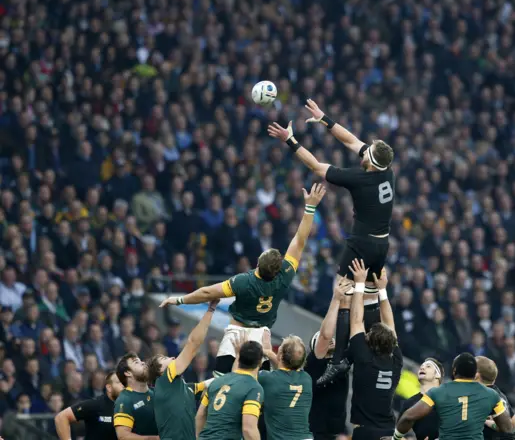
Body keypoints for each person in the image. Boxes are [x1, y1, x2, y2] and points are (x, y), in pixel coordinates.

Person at [268, 100, 395, 384]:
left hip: (360, 244)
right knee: (372, 296)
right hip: (382, 245)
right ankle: (367, 351)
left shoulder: (360, 178)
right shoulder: (386, 170)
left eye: (367, 151)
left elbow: (316, 167)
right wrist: (324, 118)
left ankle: (338, 361)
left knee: (343, 295)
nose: (363, 149)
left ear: (369, 162)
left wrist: (290, 140)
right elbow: (351, 140)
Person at [159, 184, 326, 374]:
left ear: (258, 263)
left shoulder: (243, 282)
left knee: (220, 382)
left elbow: (206, 292)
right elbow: (299, 239)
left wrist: (179, 299)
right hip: (261, 337)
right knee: (256, 388)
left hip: (235, 334)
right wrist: (310, 207)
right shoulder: (284, 276)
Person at [394, 353, 513, 440]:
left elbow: (408, 417)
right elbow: (507, 427)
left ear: (454, 371)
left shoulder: (439, 392)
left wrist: (396, 437)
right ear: (473, 373)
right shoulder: (491, 395)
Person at [146, 300, 218, 440]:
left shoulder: (184, 388)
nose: (172, 357)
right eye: (165, 358)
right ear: (160, 370)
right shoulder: (164, 380)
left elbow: (209, 383)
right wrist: (210, 310)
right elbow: (193, 344)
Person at [346, 260, 402, 440]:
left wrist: (360, 283)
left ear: (369, 341)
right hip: (388, 431)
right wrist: (382, 290)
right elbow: (389, 324)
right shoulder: (395, 360)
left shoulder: (365, 359)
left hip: (365, 432)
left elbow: (355, 319)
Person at [305, 278, 351, 439]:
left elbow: (348, 327)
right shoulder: (314, 362)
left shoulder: (340, 358)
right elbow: (325, 334)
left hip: (334, 432)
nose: (330, 338)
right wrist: (336, 299)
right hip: (314, 431)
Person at [195, 339, 264, 440]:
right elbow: (248, 429)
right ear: (260, 362)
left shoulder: (216, 382)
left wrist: (198, 436)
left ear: (239, 358)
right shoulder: (253, 387)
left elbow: (200, 415)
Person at [259, 330, 313, 440]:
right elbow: (286, 369)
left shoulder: (267, 378)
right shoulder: (307, 379)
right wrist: (269, 353)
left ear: (280, 354)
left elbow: (244, 374)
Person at [54, 370, 124, 440]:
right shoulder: (96, 404)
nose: (123, 386)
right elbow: (61, 418)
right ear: (109, 387)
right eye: (119, 383)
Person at [113, 353, 159, 439]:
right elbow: (123, 436)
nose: (143, 363)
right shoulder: (125, 400)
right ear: (128, 373)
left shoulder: (157, 392)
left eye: (141, 360)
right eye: (136, 362)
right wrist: (156, 439)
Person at [398, 358, 444, 440]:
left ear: (437, 375)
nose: (422, 368)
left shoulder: (449, 400)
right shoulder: (409, 403)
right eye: (421, 366)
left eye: (428, 366)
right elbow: (399, 435)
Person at [475, 356, 515, 440]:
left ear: (476, 375)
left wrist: (486, 422)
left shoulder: (482, 396)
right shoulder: (500, 394)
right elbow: (513, 422)